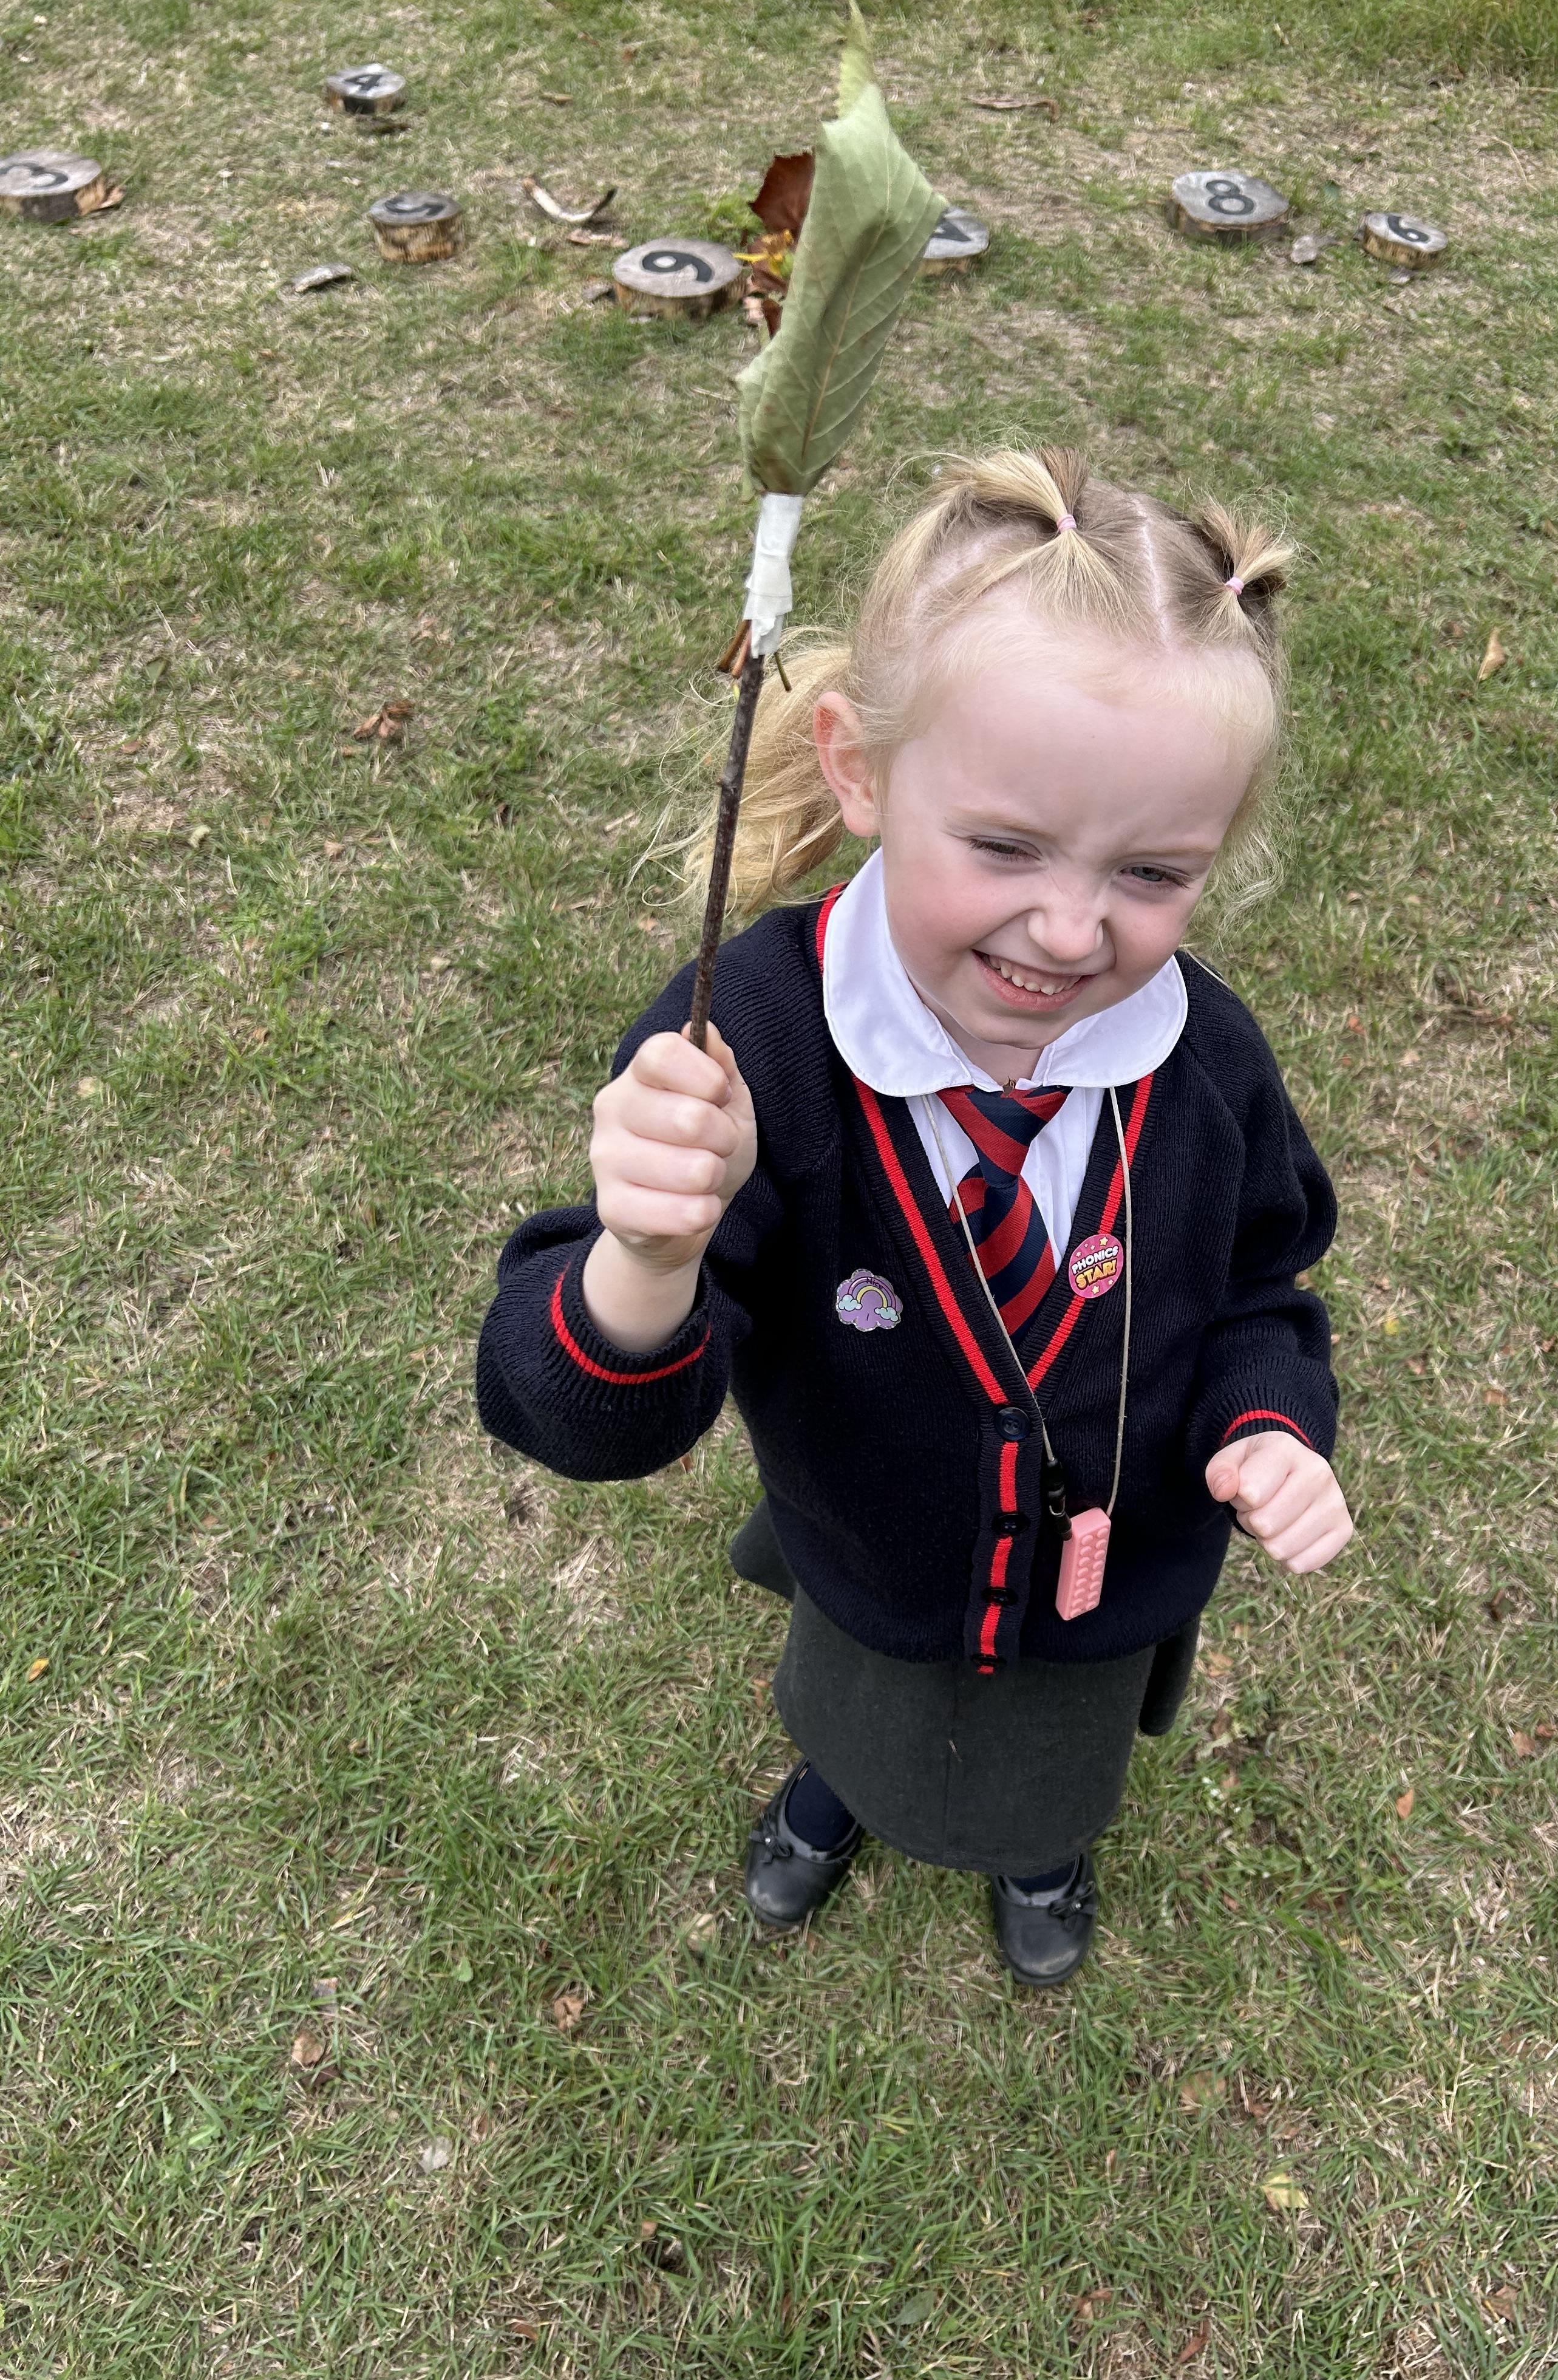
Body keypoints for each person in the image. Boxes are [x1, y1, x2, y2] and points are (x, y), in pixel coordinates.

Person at [476, 447, 1353, 1986]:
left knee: (1053, 1763)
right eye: (1005, 846)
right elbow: (577, 1420)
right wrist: (648, 1259)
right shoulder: (751, 1044)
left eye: (1155, 873)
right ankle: (834, 1793)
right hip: (866, 1559)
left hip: (1103, 1589)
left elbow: (1261, 1290)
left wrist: (1270, 1424)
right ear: (861, 767)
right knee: (855, 1707)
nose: (1069, 930)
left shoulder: (1208, 1066)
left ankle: (1043, 1851)